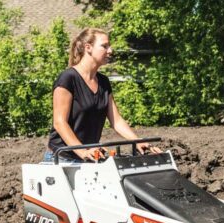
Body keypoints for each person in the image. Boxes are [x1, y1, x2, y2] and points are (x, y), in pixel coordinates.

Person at [45, 28, 160, 163]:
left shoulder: (103, 82)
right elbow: (59, 123)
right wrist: (82, 151)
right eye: (104, 46)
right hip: (62, 159)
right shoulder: (68, 78)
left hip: (89, 157)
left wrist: (138, 141)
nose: (110, 50)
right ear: (88, 48)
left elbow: (116, 121)